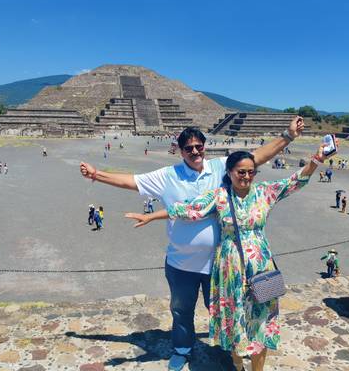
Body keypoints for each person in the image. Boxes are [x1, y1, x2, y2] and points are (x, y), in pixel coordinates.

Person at [80, 119, 304, 371]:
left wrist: (289, 135)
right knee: (181, 310)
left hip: (220, 265)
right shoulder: (167, 175)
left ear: (205, 146)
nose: (195, 151)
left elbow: (258, 157)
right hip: (181, 262)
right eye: (189, 148)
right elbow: (131, 181)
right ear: (180, 150)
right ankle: (182, 350)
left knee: (224, 311)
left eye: (199, 146)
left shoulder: (221, 167)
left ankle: (227, 349)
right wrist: (97, 175)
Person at [126, 145, 326, 371]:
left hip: (260, 268)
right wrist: (151, 216)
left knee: (260, 321)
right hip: (229, 269)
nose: (247, 176)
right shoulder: (219, 196)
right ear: (229, 172)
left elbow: (294, 181)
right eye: (241, 172)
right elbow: (189, 209)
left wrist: (316, 161)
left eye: (251, 171)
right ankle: (238, 363)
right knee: (234, 318)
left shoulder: (264, 192)